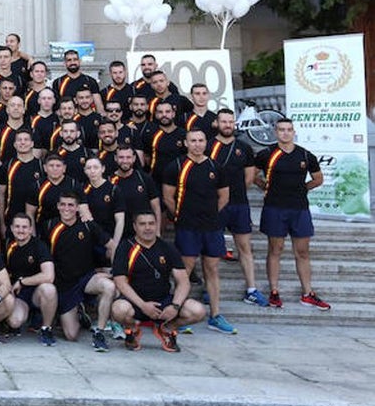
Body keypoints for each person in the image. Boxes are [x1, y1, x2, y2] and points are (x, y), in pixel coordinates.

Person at [162, 129, 234, 333]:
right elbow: (168, 196)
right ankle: (180, 313)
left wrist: (210, 215)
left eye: (201, 140)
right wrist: (180, 216)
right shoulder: (176, 166)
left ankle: (216, 315)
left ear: (206, 143)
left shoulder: (216, 167)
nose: (197, 144)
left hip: (211, 228)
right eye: (193, 140)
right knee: (184, 273)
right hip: (187, 227)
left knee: (212, 270)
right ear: (186, 143)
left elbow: (224, 197)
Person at [253, 118, 329, 310]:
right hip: (275, 208)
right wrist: (266, 187)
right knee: (275, 250)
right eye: (281, 130)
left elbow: (318, 179)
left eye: (288, 130)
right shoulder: (266, 154)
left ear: (294, 132)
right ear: (275, 132)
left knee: (302, 252)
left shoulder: (305, 155)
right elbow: (252, 175)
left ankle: (307, 293)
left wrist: (302, 189)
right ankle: (274, 292)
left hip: (299, 209)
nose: (285, 133)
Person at [111, 211, 207, 352]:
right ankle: (132, 330)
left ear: (156, 225)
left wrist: (175, 306)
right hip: (136, 302)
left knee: (198, 310)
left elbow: (183, 281)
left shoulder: (167, 248)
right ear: (135, 226)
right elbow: (120, 282)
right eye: (142, 224)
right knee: (118, 309)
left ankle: (167, 329)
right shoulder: (125, 247)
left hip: (164, 302)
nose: (147, 228)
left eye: (151, 223)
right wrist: (143, 305)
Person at [209, 108, 268, 307]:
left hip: (239, 204)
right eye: (223, 121)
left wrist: (236, 193)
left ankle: (251, 289)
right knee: (213, 249)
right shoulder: (208, 146)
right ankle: (211, 289)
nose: (227, 125)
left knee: (244, 247)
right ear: (217, 124)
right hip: (215, 205)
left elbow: (249, 177)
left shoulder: (244, 147)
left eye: (230, 122)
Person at [43, 193, 115, 351]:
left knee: (108, 287)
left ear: (77, 208)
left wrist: (113, 272)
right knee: (71, 335)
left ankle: (99, 333)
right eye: (63, 204)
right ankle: (80, 313)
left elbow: (112, 245)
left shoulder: (88, 225)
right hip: (64, 285)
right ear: (58, 206)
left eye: (70, 205)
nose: (66, 208)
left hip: (86, 279)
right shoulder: (49, 226)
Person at [4, 212, 58, 345]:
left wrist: (22, 281)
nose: (20, 230)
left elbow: (49, 276)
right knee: (15, 321)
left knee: (49, 289)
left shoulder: (39, 246)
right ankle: (30, 316)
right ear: (11, 228)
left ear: (30, 229)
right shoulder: (7, 245)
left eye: (24, 227)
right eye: (17, 227)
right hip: (18, 295)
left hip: (36, 292)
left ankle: (46, 328)